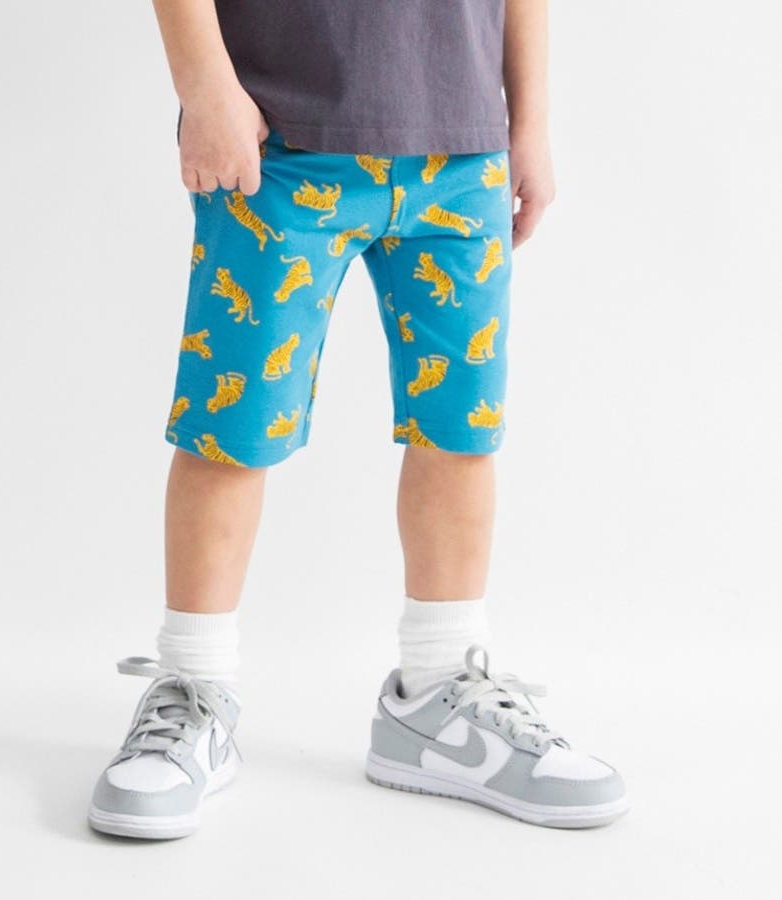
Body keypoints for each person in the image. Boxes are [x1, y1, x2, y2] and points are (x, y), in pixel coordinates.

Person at [88, 0, 628, 839]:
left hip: (464, 151)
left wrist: (530, 123)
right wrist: (204, 87)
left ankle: (439, 691)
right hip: (278, 147)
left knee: (461, 428)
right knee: (230, 428)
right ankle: (195, 684)